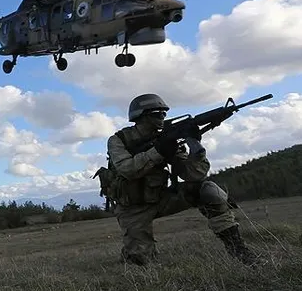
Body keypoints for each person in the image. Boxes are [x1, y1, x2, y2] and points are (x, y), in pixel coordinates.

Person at [103, 93, 259, 266]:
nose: (162, 118)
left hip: (160, 198)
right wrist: (159, 151)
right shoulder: (119, 140)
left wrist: (195, 146)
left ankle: (240, 252)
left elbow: (194, 175)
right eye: (156, 113)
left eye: (164, 113)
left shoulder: (166, 139)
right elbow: (127, 169)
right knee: (141, 263)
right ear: (140, 117)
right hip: (132, 208)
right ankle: (131, 254)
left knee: (209, 190)